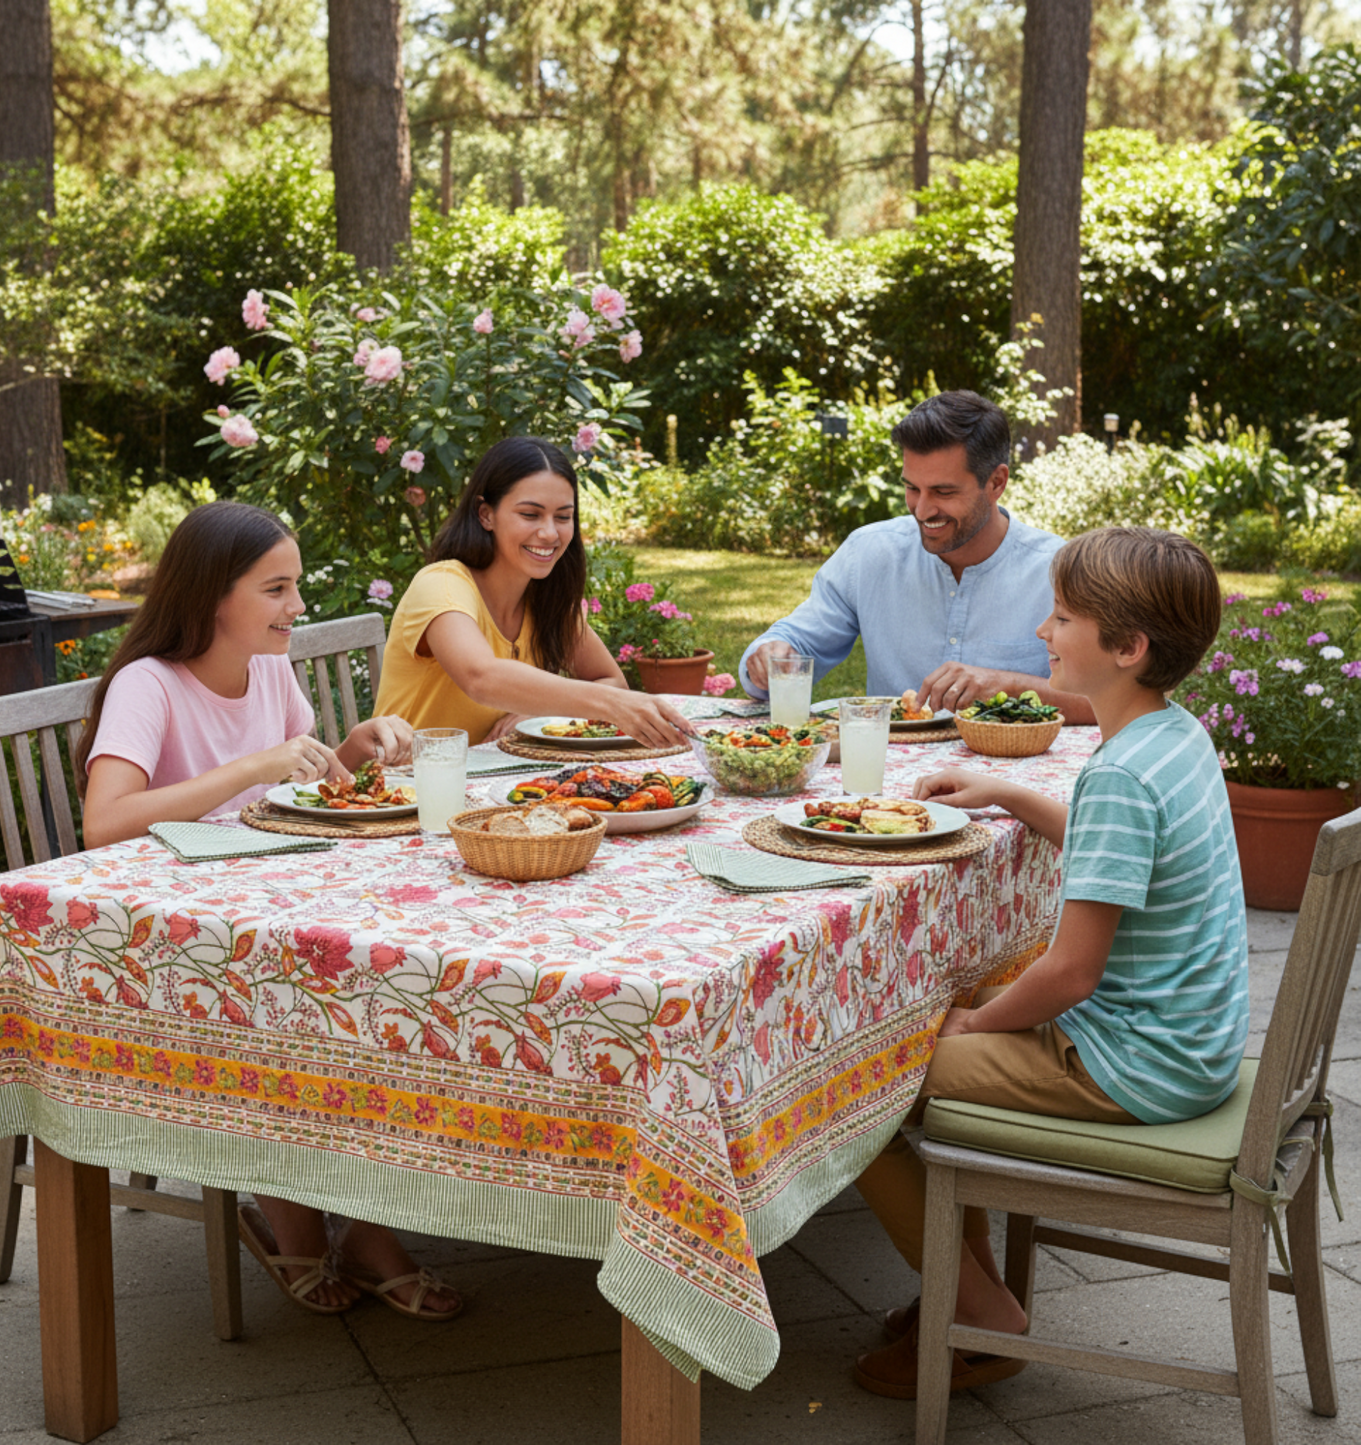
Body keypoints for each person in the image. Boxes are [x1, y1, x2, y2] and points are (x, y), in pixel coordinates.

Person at [850, 526, 1247, 1399]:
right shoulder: (1172, 736)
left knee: (855, 1083)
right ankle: (959, 1292)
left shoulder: (1119, 777)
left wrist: (979, 1023)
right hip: (1191, 1042)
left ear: (1126, 647)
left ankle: (981, 1318)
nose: (1042, 632)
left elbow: (1069, 974)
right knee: (938, 1005)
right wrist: (1012, 794)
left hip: (1132, 1064)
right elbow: (1134, 852)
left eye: (1063, 617)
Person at [77, 500, 461, 1321]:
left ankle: (362, 1222)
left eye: (295, 586)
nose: (296, 607)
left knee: (388, 990)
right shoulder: (151, 685)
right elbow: (105, 818)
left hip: (265, 909)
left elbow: (305, 787)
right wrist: (249, 765)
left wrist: (358, 748)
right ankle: (301, 1217)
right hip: (169, 947)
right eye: (276, 588)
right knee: (321, 1001)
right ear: (216, 594)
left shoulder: (268, 667)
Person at [740, 390, 1097, 726]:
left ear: (996, 483)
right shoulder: (870, 553)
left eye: (943, 491)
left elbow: (1109, 699)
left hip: (1016, 783)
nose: (922, 510)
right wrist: (770, 658)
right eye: (912, 488)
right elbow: (796, 645)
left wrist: (1011, 688)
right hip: (882, 785)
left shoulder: (1059, 571)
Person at [373, 436, 693, 747]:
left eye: (563, 517)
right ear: (486, 514)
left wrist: (536, 710)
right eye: (530, 514)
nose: (550, 533)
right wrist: (608, 704)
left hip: (492, 785)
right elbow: (481, 677)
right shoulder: (441, 585)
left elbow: (611, 681)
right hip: (399, 792)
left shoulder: (544, 600)